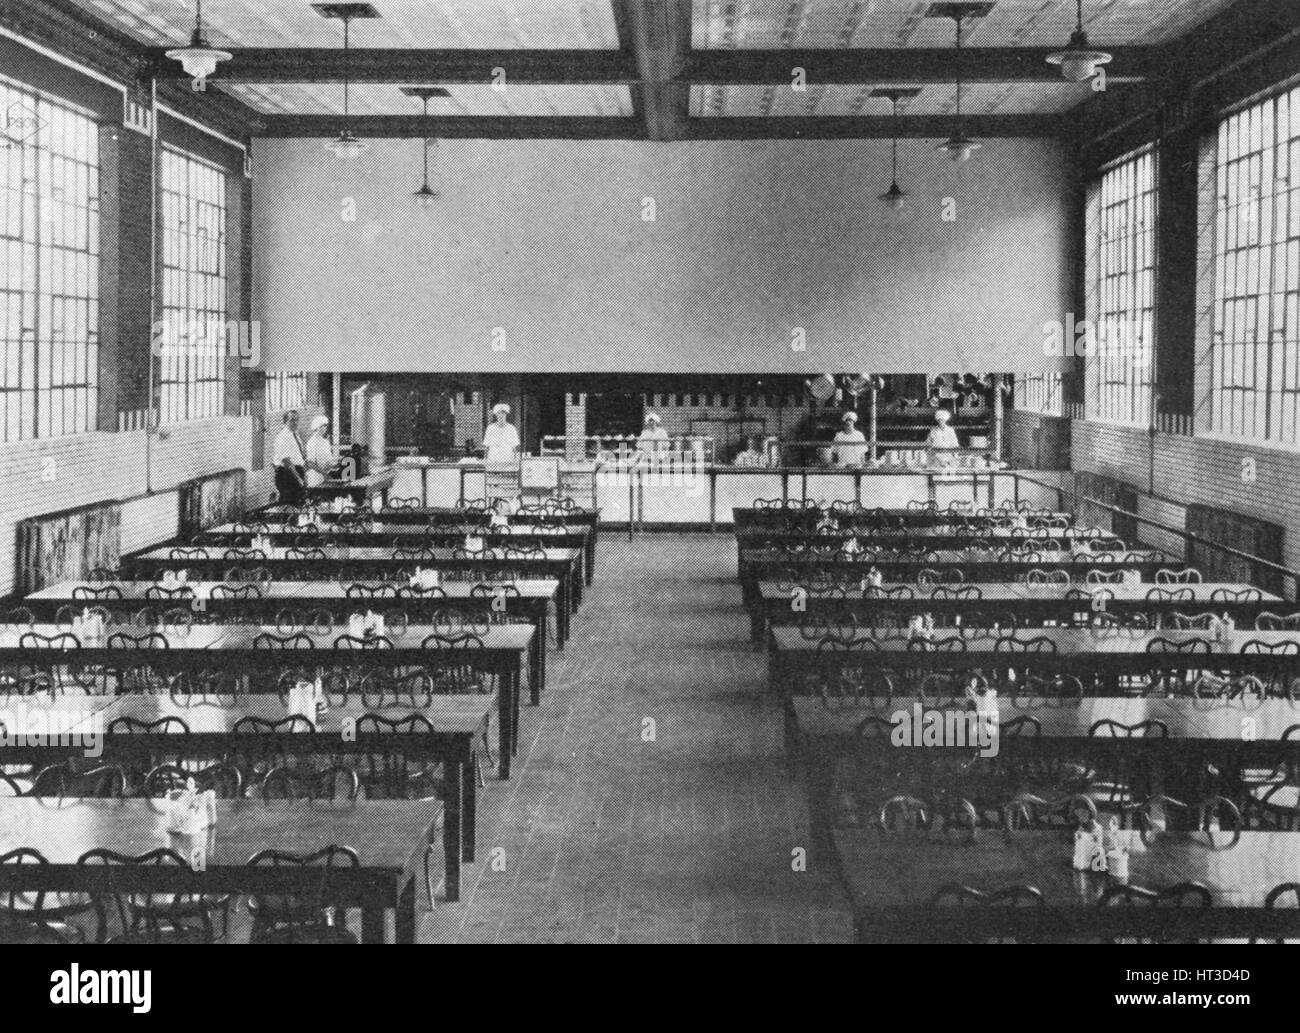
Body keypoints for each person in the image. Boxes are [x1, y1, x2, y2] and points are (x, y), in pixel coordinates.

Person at [272, 411, 306, 507]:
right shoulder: (282, 437)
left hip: (297, 472)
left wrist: (303, 474)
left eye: (296, 420)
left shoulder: (295, 436)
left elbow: (299, 457)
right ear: (285, 422)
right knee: (288, 505)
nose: (295, 422)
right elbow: (287, 461)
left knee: (298, 505)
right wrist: (298, 478)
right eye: (292, 420)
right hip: (287, 475)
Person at [304, 414, 336, 488]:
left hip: (326, 475)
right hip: (315, 476)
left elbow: (329, 460)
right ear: (316, 427)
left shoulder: (325, 442)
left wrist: (335, 465)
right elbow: (310, 463)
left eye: (325, 426)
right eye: (321, 426)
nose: (324, 428)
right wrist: (324, 473)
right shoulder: (311, 442)